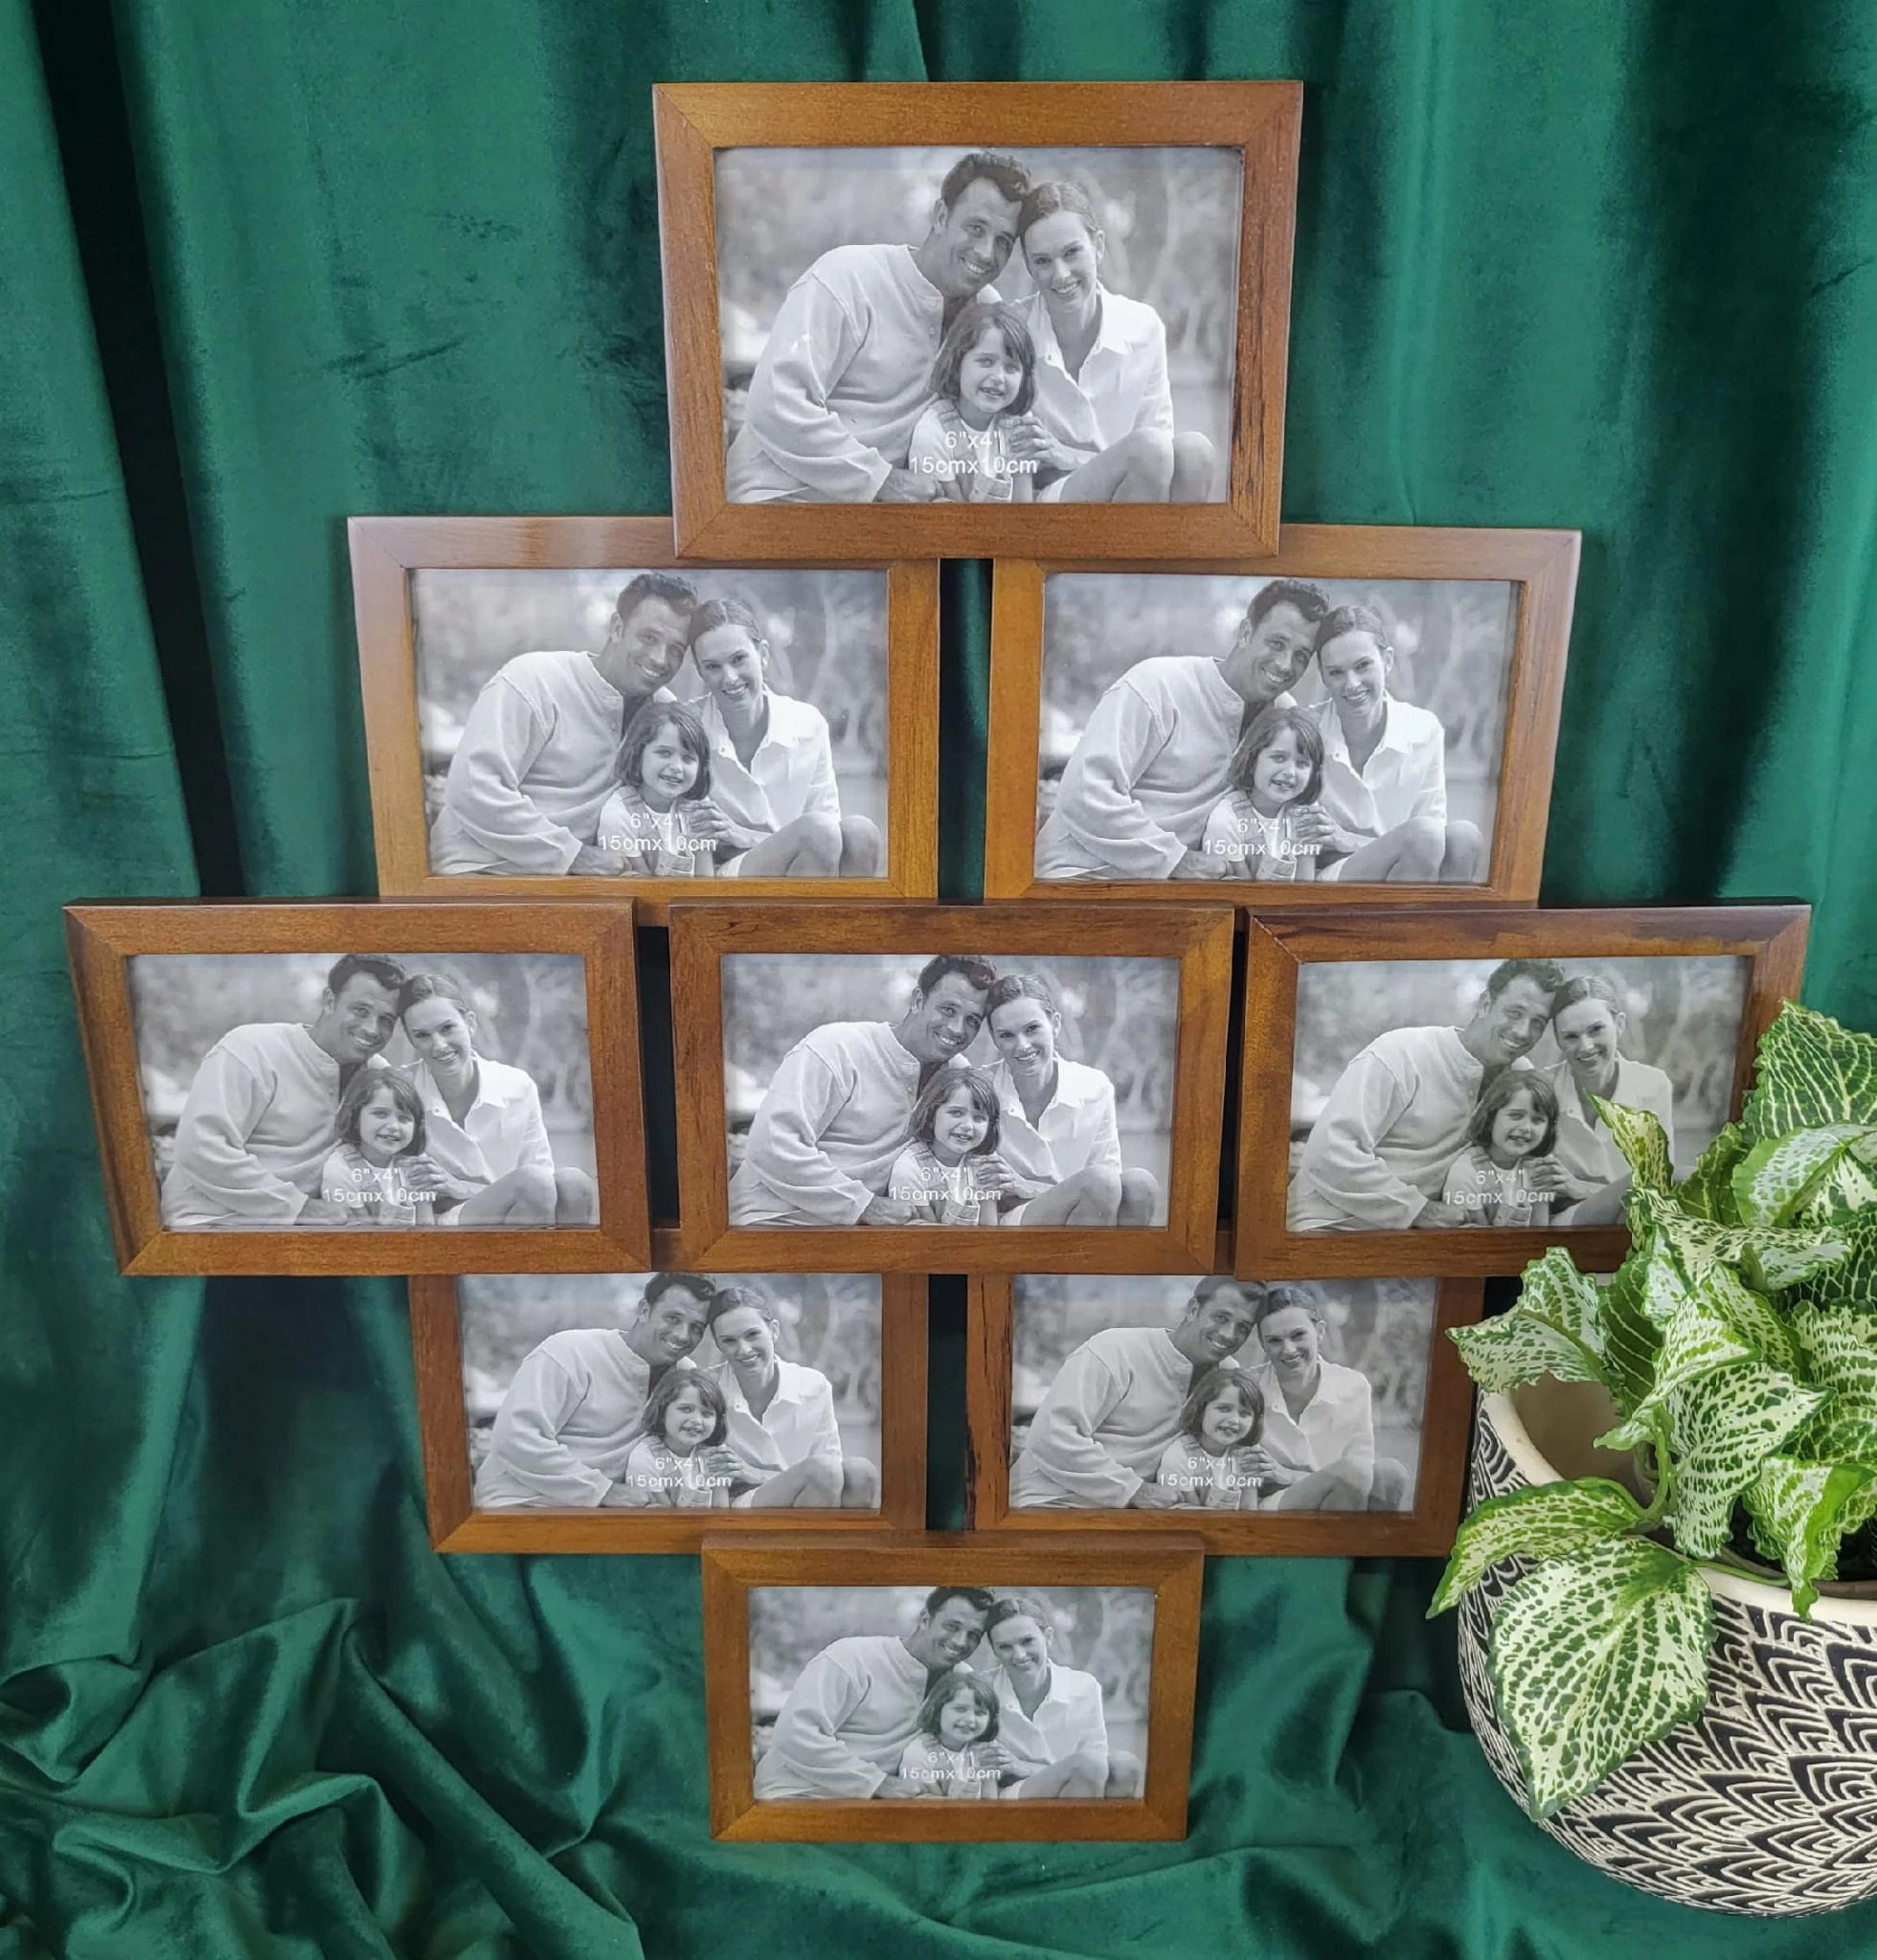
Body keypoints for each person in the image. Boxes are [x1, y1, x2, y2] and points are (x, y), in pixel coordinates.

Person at [726, 152, 1031, 505]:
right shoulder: (847, 276)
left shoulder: (987, 313)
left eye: (1003, 241)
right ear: (941, 216)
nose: (986, 253)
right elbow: (776, 403)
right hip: (776, 499)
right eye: (976, 228)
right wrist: (882, 480)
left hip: (884, 518)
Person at [1034, 578, 1331, 881]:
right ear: (1245, 633)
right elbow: (1085, 792)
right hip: (1079, 876)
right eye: (1277, 643)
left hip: (1179, 891)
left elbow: (1297, 804)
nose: (1285, 664)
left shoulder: (1283, 715)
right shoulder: (1157, 684)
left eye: (1301, 656)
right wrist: (1178, 861)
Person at [429, 571, 697, 875]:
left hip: (580, 885)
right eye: (649, 638)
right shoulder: (533, 679)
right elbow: (473, 789)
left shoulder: (664, 711)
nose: (660, 659)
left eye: (676, 650)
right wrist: (575, 856)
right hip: (480, 871)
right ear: (617, 628)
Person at [1286, 957, 1568, 1231]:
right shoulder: (1401, 1053)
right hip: (1329, 1226)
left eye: (1538, 1023)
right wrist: (1419, 1210)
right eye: (1515, 1012)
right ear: (1485, 1004)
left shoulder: (1520, 1078)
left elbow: (1533, 1157)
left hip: (1422, 1240)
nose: (1522, 1032)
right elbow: (1330, 1151)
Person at [729, 954, 998, 1228]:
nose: (957, 1029)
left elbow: (982, 1144)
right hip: (772, 1220)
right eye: (948, 1010)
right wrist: (864, 1205)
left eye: (972, 1020)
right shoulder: (836, 1047)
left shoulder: (958, 1075)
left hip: (864, 1233)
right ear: (918, 1000)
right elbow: (772, 1144)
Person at [160, 953, 406, 1228]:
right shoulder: (251, 1048)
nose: (372, 1029)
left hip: (307, 1228)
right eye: (360, 1010)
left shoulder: (378, 1075)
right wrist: (298, 1208)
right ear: (329, 1001)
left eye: (386, 1020)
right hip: (209, 1220)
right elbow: (201, 1147)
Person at [1007, 180, 1213, 504]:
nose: (1060, 274)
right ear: (1029, 265)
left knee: (1195, 452)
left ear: (1099, 247)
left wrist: (1069, 455)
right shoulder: (1012, 329)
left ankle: (1170, 540)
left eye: (1072, 253)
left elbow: (1162, 452)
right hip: (1051, 500)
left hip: (1136, 486)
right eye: (1043, 261)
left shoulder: (1143, 327)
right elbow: (1009, 459)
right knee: (1148, 449)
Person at [1007, 1278, 1265, 1509]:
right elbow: (1052, 1434)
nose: (1229, 1334)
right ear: (1193, 1309)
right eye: (1221, 1317)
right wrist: (1134, 1490)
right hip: (1050, 1501)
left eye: (1243, 1327)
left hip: (1136, 1517)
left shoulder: (1228, 1376)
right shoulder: (1115, 1349)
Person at [472, 1273, 717, 1507]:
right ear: (644, 1310)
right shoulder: (569, 1351)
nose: (683, 1335)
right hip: (519, 1504)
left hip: (607, 1513)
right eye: (673, 1318)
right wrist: (603, 1491)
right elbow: (515, 1437)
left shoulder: (685, 1377)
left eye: (696, 1327)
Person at [682, 597, 882, 879]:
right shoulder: (687, 727)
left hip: (807, 857)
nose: (730, 678)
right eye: (713, 667)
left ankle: (839, 911)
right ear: (700, 671)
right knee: (818, 832)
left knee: (861, 833)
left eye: (739, 659)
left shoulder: (808, 724)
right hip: (725, 873)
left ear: (763, 654)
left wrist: (745, 835)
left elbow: (829, 826)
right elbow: (688, 838)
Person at [1292, 604, 1481, 885]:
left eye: (1362, 666)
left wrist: (1349, 839)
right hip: (1333, 876)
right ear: (1323, 675)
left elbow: (1434, 835)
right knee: (1424, 835)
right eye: (1336, 672)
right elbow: (1300, 840)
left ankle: (1430, 914)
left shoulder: (1424, 729)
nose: (1352, 684)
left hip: (1412, 862)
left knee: (1465, 837)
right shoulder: (1305, 730)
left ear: (1388, 660)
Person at [395, 972, 597, 1227]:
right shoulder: (400, 1090)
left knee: (575, 1184)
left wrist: (463, 1187)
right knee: (533, 1183)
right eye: (422, 1035)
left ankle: (561, 1253)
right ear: (411, 1039)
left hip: (521, 1207)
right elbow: (399, 1191)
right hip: (443, 1222)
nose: (439, 1045)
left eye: (447, 1028)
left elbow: (543, 1178)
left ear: (470, 1023)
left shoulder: (517, 1086)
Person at [753, 1588, 996, 1799]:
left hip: (880, 1806)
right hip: (796, 1794)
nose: (961, 1642)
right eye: (952, 1626)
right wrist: (877, 1783)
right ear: (925, 1619)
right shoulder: (851, 1657)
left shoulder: (962, 1680)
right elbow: (795, 1733)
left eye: (974, 1635)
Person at [982, 972, 1158, 1227]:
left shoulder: (1095, 1087)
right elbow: (977, 1188)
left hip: (1088, 1208)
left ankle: (1110, 1255)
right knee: (1099, 1183)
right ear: (995, 1039)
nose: (1022, 1046)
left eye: (1032, 1029)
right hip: (1013, 1219)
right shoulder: (980, 1089)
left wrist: (1029, 1187)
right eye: (1007, 1035)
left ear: (1055, 1024)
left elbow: (1111, 1180)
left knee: (1141, 1185)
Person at [702, 1286, 879, 1509]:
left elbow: (831, 1466)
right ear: (718, 1344)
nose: (744, 1349)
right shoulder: (705, 1389)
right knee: (823, 1471)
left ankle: (835, 1533)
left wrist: (758, 1474)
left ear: (774, 1331)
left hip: (810, 1493)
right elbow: (700, 1474)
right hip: (740, 1502)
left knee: (861, 1473)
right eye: (729, 1341)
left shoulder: (813, 1386)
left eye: (752, 1335)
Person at [1535, 974, 1678, 1226]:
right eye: (1571, 1036)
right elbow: (1533, 1184)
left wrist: (1582, 1187)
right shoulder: (1542, 1087)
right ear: (1558, 1039)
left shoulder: (1653, 1085)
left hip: (1635, 1215)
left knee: (1676, 1184)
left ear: (1619, 1024)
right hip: (1568, 1221)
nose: (1585, 1047)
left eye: (1596, 1030)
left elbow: (1660, 1184)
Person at [1245, 1289, 1400, 1512]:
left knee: (1392, 1474)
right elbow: (1238, 1471)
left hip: (1343, 1494)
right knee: (1353, 1472)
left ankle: (1355, 1534)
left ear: (1319, 1331)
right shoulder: (1248, 1387)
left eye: (1298, 1335)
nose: (1288, 1350)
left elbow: (1362, 1466)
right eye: (1275, 1341)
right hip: (1274, 1502)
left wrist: (1290, 1475)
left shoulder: (1353, 1386)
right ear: (1262, 1344)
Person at [980, 1595, 1139, 1799]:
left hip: (1079, 1785)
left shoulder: (1084, 1687)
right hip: (1013, 1793)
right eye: (1005, 1646)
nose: (1019, 1655)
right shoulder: (982, 1689)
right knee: (1088, 1764)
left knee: (1125, 1766)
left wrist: (1026, 1767)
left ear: (1048, 1637)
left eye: (1027, 1641)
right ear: (994, 1650)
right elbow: (980, 1768)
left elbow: (1097, 1763)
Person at [905, 301, 1039, 504]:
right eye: (986, 362)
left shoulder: (1020, 424)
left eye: (1011, 367)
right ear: (957, 363)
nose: (998, 377)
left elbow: (1023, 506)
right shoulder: (933, 432)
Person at [593, 700, 719, 878]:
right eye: (664, 753)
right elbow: (647, 887)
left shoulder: (697, 807)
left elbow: (705, 878)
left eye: (688, 758)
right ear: (638, 753)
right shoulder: (619, 813)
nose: (676, 767)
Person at [1200, 705, 1325, 883]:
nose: (1290, 772)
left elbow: (1305, 884)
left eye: (1302, 763)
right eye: (1278, 758)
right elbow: (1247, 894)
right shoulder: (1226, 820)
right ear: (1252, 760)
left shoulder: (1305, 813)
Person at [887, 1068, 1012, 1226]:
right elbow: (928, 1233)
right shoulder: (909, 1169)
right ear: (931, 1115)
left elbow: (989, 1226)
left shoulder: (986, 1163)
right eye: (956, 1113)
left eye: (979, 1118)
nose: (968, 1125)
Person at [319, 1068, 440, 1227]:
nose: (393, 1126)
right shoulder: (340, 1170)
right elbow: (361, 1233)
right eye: (380, 1114)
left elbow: (426, 1224)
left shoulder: (417, 1163)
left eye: (404, 1118)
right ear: (355, 1118)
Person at [1441, 1072, 1562, 1228]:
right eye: (1515, 1116)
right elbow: (1478, 1237)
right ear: (1491, 1117)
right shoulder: (1466, 1172)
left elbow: (1540, 1229)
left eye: (1537, 1120)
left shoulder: (1539, 1167)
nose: (1526, 1128)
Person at [613, 1371, 736, 1510]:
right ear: (662, 1411)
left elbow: (720, 1509)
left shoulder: (715, 1453)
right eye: (686, 1409)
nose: (697, 1420)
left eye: (707, 1413)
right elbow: (667, 1514)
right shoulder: (645, 1457)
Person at [1154, 1367, 1267, 1510]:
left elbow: (1249, 1508)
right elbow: (1190, 1514)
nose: (1234, 1420)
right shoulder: (1179, 1456)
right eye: (1224, 1409)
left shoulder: (1248, 1455)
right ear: (1201, 1410)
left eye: (1244, 1414)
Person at [896, 1674, 1002, 1798]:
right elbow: (916, 1800)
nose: (970, 1719)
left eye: (980, 1713)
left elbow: (990, 1799)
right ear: (937, 1710)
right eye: (960, 1709)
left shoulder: (985, 1751)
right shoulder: (919, 1754)